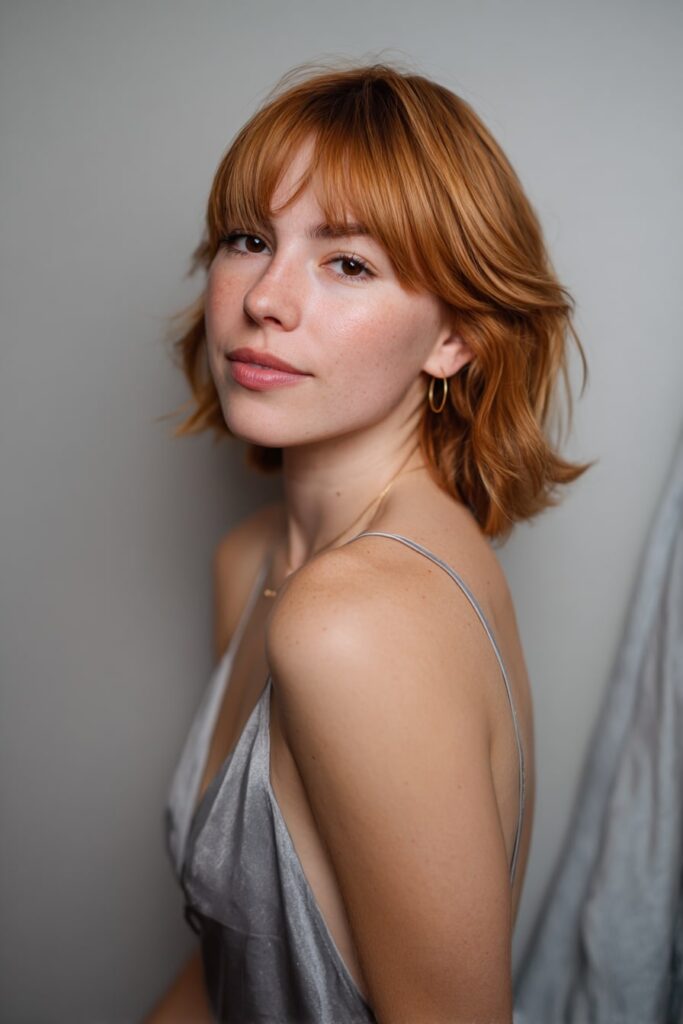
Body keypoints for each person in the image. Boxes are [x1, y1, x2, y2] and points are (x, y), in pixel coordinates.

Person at [144, 57, 593, 1024]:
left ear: (453, 339)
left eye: (348, 262)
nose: (266, 297)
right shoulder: (253, 562)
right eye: (249, 237)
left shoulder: (355, 622)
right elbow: (228, 971)